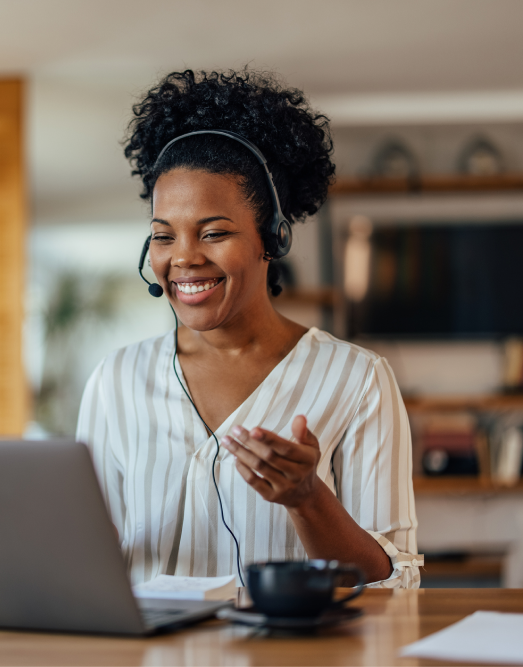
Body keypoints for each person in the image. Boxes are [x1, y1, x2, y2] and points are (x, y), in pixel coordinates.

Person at [75, 69, 421, 589]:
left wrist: (308, 498)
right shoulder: (115, 380)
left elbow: (393, 585)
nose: (184, 257)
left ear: (272, 238)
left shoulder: (358, 379)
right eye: (163, 236)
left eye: (213, 232)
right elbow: (81, 560)